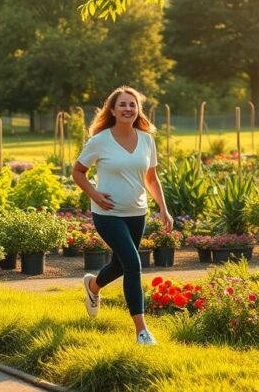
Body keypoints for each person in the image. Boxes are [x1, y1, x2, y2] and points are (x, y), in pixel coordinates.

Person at [72, 86, 172, 345]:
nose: (128, 108)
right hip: (108, 214)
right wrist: (94, 195)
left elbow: (151, 178)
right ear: (113, 110)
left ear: (138, 110)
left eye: (133, 104)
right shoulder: (100, 140)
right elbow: (78, 172)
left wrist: (163, 208)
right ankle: (142, 331)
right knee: (133, 264)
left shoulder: (147, 139)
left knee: (119, 264)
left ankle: (93, 286)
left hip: (136, 213)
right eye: (123, 104)